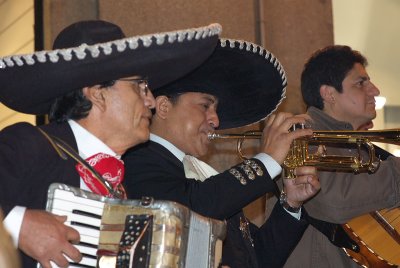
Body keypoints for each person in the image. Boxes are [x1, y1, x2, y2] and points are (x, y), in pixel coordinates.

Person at [0, 20, 222, 267]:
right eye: (140, 86)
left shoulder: (122, 187)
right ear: (97, 93)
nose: (150, 101)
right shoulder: (29, 144)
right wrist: (18, 225)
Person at [123, 39, 321, 268]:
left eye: (215, 110)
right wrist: (266, 161)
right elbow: (190, 207)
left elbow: (257, 257)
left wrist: (291, 204)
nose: (215, 120)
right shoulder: (136, 159)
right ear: (164, 107)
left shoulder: (201, 174)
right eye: (205, 106)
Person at [282, 45, 400, 267]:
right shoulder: (299, 135)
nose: (374, 90)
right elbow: (333, 201)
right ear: (328, 94)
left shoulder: (360, 147)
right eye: (360, 83)